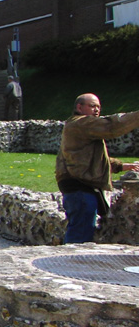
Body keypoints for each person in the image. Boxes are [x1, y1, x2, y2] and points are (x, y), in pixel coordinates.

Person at [55, 93, 139, 243]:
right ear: (79, 107)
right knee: (80, 234)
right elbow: (112, 126)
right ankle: (73, 263)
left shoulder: (76, 126)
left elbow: (89, 157)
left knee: (80, 228)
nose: (96, 110)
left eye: (98, 107)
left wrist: (123, 166)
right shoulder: (80, 123)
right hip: (80, 187)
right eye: (92, 106)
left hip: (78, 187)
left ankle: (72, 261)